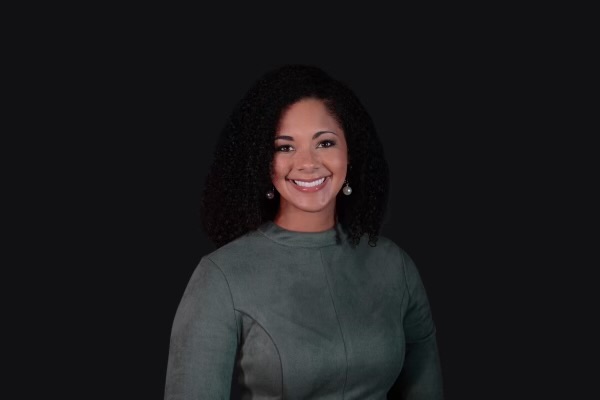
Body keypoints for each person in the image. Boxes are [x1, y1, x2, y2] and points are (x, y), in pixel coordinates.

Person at [164, 64, 443, 399]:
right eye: (285, 147)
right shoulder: (220, 277)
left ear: (350, 152)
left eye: (325, 143)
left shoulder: (394, 267)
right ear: (262, 161)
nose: (308, 163)